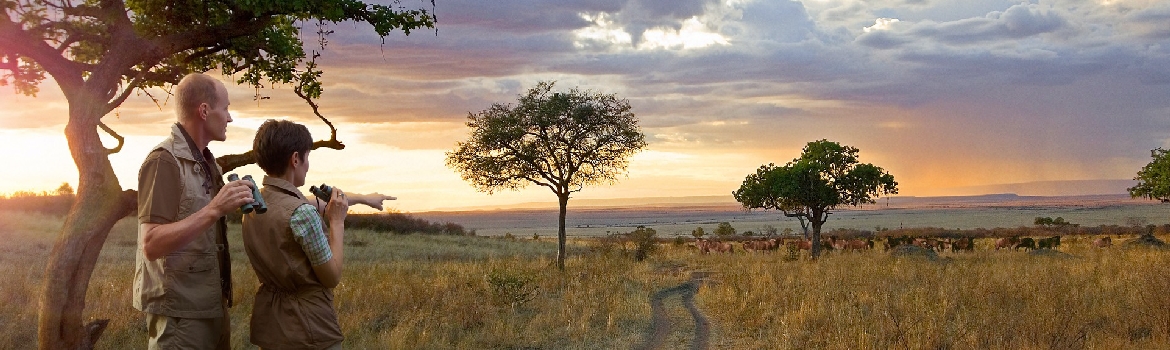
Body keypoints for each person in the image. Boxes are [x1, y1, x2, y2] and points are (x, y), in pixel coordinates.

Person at [134, 73, 254, 349]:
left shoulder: (208, 164)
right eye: (225, 108)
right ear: (204, 111)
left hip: (210, 307)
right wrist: (214, 209)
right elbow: (151, 244)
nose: (230, 118)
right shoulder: (164, 161)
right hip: (181, 317)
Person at [241, 119, 349, 349]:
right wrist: (337, 222)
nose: (307, 166)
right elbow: (331, 277)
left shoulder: (254, 203)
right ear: (296, 158)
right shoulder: (303, 214)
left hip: (271, 326)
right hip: (310, 330)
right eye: (307, 158)